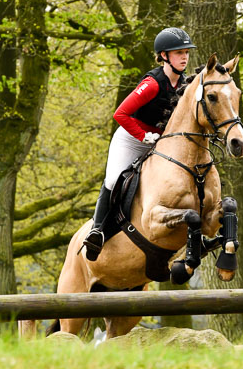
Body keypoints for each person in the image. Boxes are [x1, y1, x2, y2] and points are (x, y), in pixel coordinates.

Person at [82, 27, 196, 261]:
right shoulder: (152, 84)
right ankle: (97, 231)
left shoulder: (185, 85)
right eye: (178, 53)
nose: (184, 57)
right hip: (132, 139)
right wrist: (143, 136)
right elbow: (120, 114)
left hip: (162, 144)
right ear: (164, 56)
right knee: (114, 179)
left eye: (186, 52)